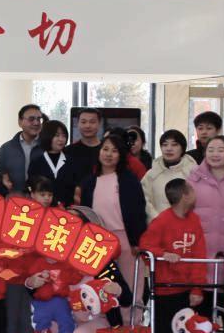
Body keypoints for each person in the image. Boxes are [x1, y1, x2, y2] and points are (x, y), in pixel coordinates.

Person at [139, 178, 208, 333]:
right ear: (185, 196)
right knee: (160, 326)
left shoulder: (194, 220)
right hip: (165, 287)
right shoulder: (162, 221)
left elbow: (200, 256)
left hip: (186, 287)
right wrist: (163, 254)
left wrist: (197, 288)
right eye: (192, 191)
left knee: (189, 325)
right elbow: (145, 246)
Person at [79, 132, 147, 291]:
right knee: (100, 284)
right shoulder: (89, 182)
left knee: (130, 283)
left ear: (121, 155)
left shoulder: (129, 180)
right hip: (98, 239)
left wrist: (136, 241)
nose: (108, 154)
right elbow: (85, 212)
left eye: (114, 151)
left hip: (125, 239)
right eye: (105, 149)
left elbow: (138, 212)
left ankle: (132, 309)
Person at [189, 136, 224, 266]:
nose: (215, 154)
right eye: (211, 150)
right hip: (198, 246)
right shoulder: (193, 179)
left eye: (221, 150)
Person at [141, 130, 196, 221]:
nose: (169, 148)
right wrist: (158, 219)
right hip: (158, 224)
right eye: (165, 145)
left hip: (186, 225)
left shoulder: (193, 172)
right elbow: (144, 199)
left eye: (174, 145)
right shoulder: (152, 174)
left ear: (182, 148)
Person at [0, 104, 43, 194]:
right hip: (14, 198)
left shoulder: (46, 147)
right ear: (20, 122)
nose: (36, 123)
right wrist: (4, 179)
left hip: (42, 199)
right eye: (31, 119)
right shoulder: (6, 149)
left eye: (39, 119)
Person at [28, 119, 77, 205]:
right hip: (42, 209)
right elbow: (32, 186)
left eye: (64, 136)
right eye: (57, 136)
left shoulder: (71, 161)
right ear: (47, 136)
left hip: (66, 209)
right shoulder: (37, 162)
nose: (61, 139)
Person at [64, 108, 103, 176]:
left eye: (92, 122)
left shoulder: (106, 150)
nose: (87, 126)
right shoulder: (68, 151)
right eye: (83, 122)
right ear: (78, 124)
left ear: (99, 124)